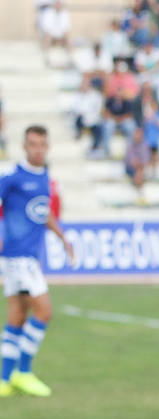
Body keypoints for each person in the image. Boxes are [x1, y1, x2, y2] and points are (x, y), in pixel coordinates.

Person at [1, 125, 75, 398]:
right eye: (32, 144)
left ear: (48, 146)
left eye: (42, 144)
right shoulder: (12, 178)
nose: (37, 149)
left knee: (17, 316)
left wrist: (62, 238)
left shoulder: (44, 175)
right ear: (24, 146)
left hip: (27, 256)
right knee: (44, 312)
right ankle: (24, 371)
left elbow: (42, 212)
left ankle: (5, 379)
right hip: (17, 256)